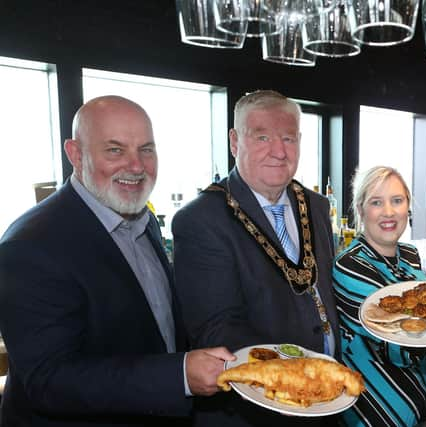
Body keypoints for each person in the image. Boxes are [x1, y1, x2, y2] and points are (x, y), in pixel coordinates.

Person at [0, 95, 235, 427]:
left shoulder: (143, 217)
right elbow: (50, 380)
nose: (136, 166)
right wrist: (178, 375)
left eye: (146, 149)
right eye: (115, 150)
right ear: (75, 154)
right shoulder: (30, 245)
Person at [172, 90, 339, 426]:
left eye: (288, 138)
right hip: (254, 409)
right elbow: (216, 327)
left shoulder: (316, 206)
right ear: (235, 142)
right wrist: (300, 375)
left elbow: (324, 294)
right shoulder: (202, 219)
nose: (279, 152)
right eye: (262, 137)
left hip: (326, 403)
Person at [333, 166, 426, 427]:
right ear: (361, 209)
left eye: (397, 201)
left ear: (407, 206)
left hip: (414, 401)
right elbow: (397, 344)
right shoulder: (349, 265)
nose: (388, 212)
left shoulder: (409, 254)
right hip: (372, 411)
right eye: (377, 202)